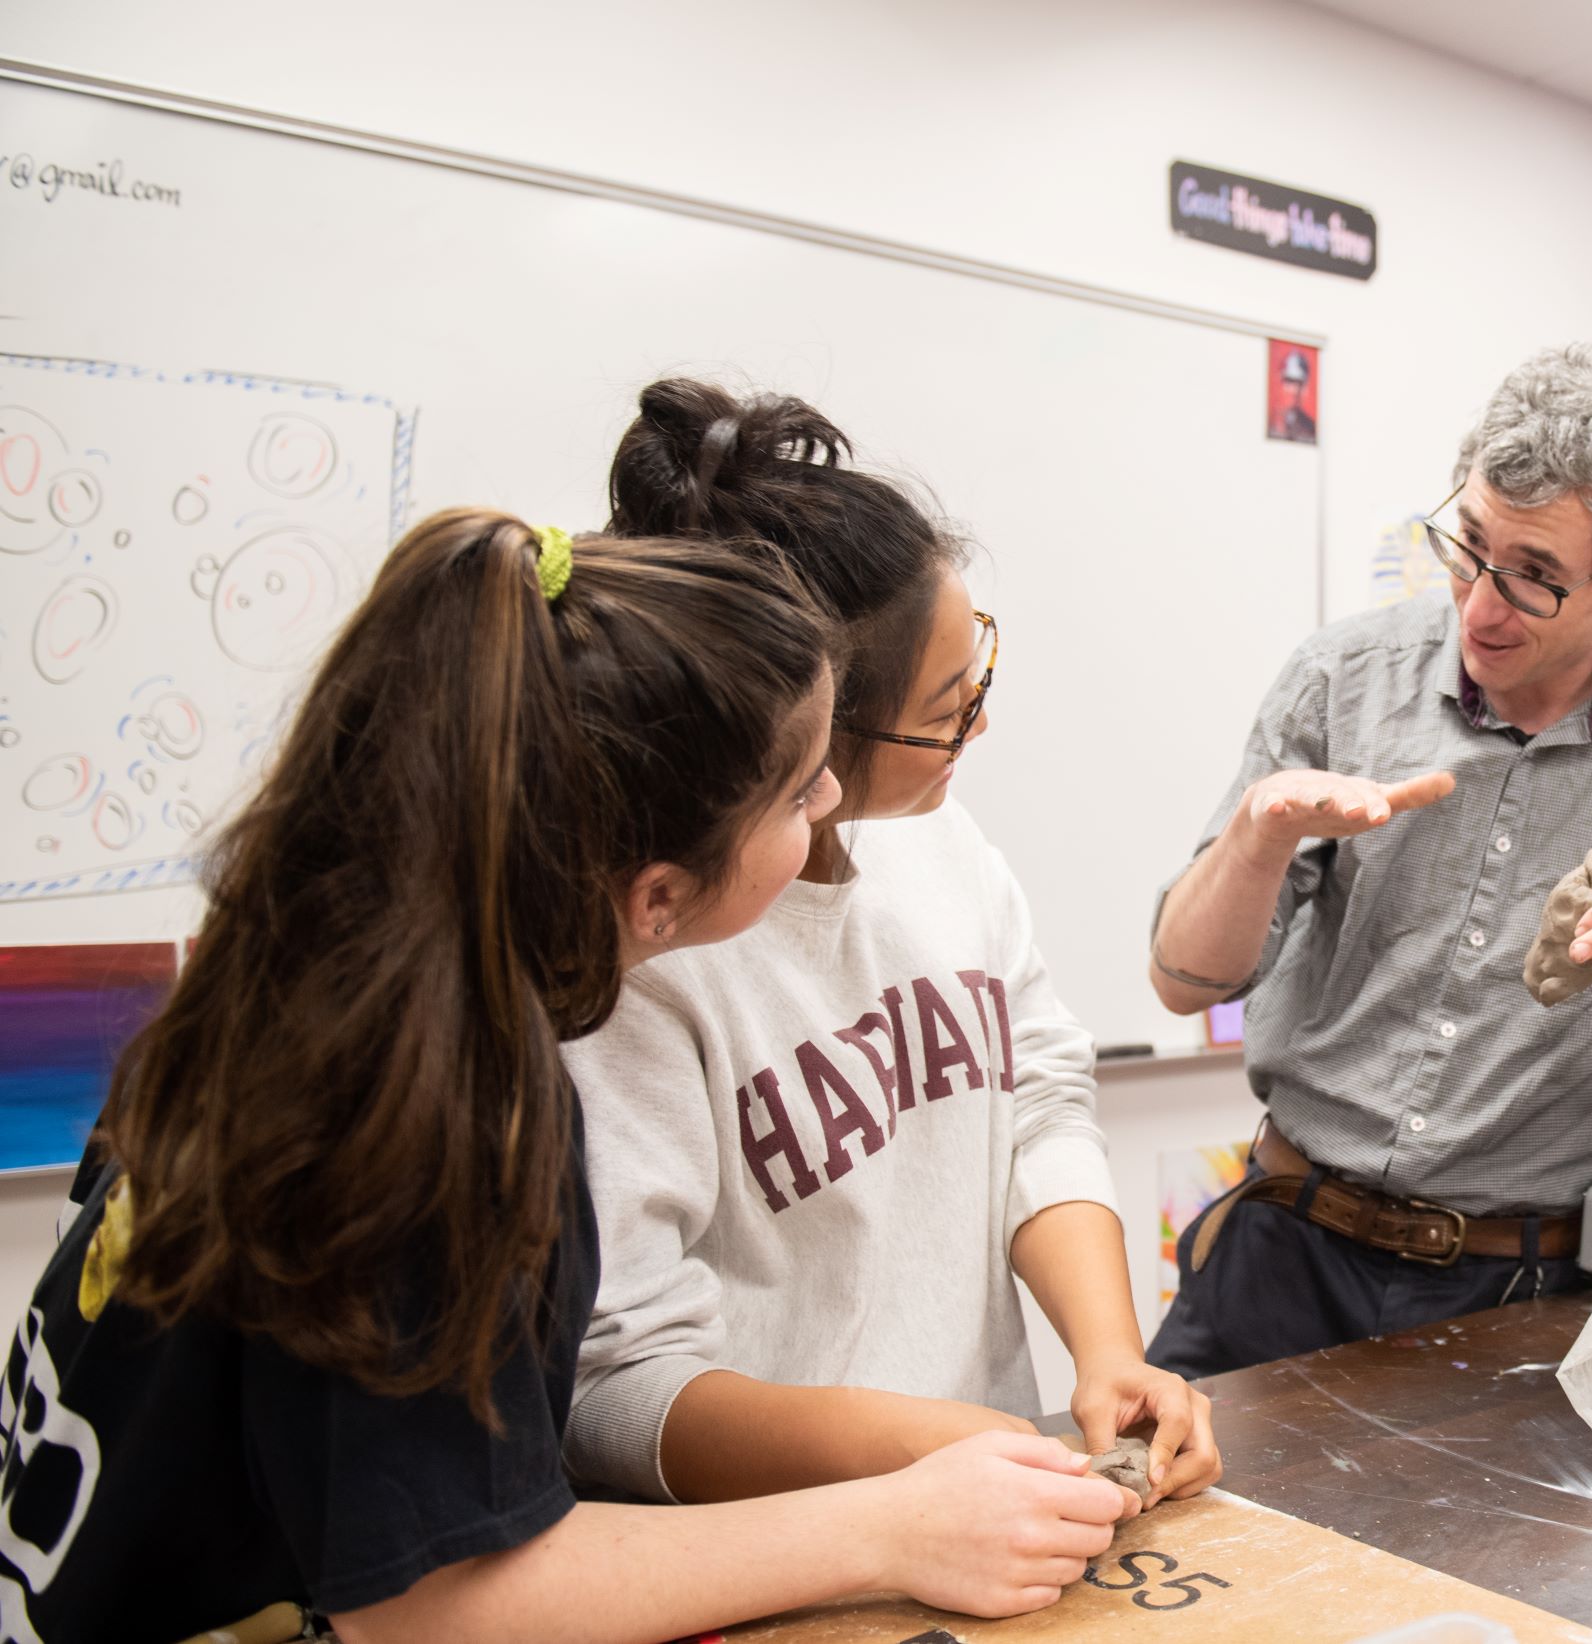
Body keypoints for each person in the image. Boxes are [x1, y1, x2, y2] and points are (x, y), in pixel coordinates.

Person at [0, 510, 1130, 1642]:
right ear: (656, 896)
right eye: (795, 796)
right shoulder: (438, 1120)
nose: (830, 805)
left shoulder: (304, 969)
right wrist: (891, 1528)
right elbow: (435, 1607)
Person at [564, 380, 1219, 1510]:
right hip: (785, 1538)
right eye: (946, 702)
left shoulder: (939, 836)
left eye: (978, 676)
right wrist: (911, 1455)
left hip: (981, 1493)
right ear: (812, 727)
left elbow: (1042, 1102)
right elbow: (613, 1393)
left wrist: (1105, 1356)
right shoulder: (648, 951)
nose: (976, 724)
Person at [1146, 345, 1592, 1377]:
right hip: (1282, 1250)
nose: (1477, 606)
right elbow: (1179, 981)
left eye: (1535, 579)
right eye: (1468, 545)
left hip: (1530, 1297)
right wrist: (1256, 838)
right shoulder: (1341, 679)